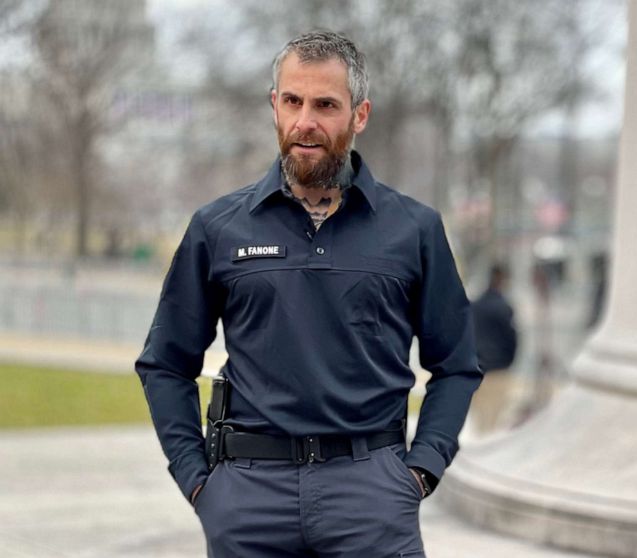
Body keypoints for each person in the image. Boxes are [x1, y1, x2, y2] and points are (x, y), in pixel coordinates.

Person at [135, 30, 481, 557]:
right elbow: (165, 363)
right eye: (292, 101)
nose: (305, 122)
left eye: (326, 105)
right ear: (274, 105)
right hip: (248, 500)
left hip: (373, 498)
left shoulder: (414, 230)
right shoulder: (218, 227)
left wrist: (421, 470)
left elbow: (456, 365)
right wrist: (200, 482)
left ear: (359, 115)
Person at [468, 263, 518, 434]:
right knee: (493, 424)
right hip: (498, 369)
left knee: (481, 423)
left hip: (477, 368)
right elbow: (512, 339)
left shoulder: (475, 306)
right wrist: (509, 361)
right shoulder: (503, 307)